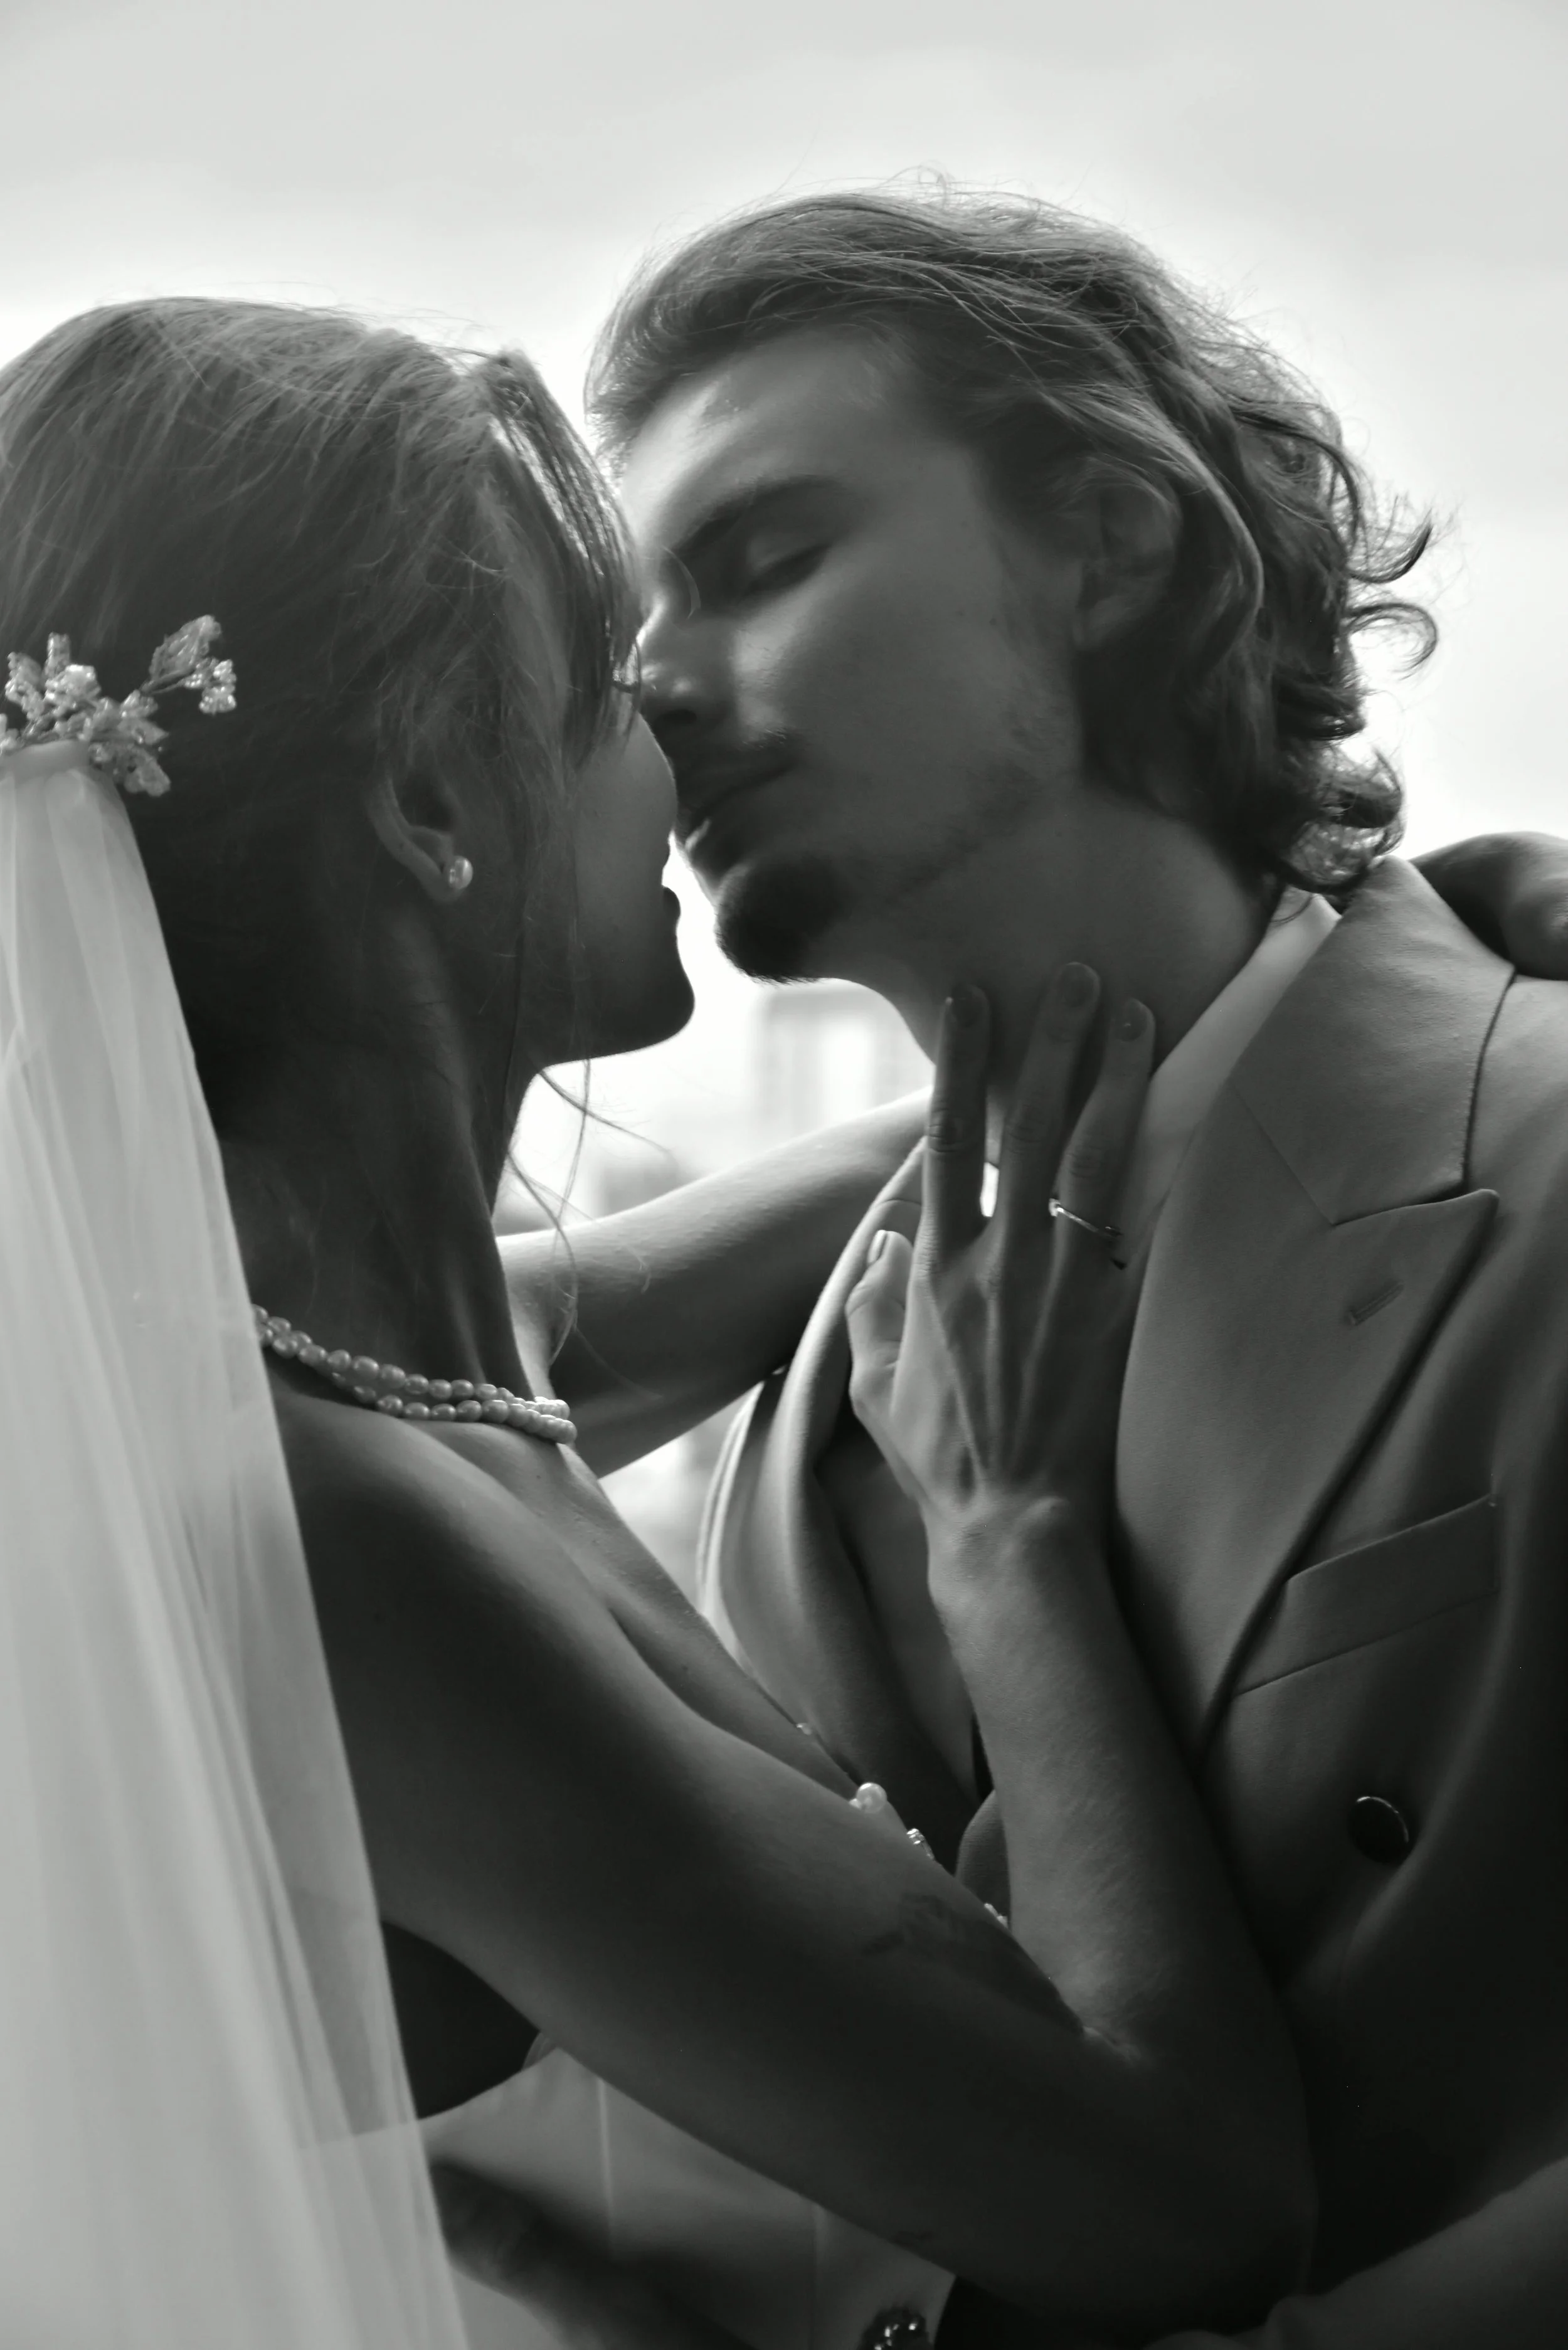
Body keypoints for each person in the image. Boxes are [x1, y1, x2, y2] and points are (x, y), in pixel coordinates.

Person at [0, 295, 1338, 2350]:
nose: (679, 721)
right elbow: (1183, 2201)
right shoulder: (331, 1547)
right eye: (600, 689)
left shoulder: (396, 1368)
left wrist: (1381, 952)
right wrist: (1011, 1550)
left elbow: (991, 1134)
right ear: (433, 795)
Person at [450, 188, 1568, 2350]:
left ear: (1107, 546)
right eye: (620, 644)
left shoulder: (1532, 1148)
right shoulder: (818, 1339)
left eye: (762, 559)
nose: (658, 691)